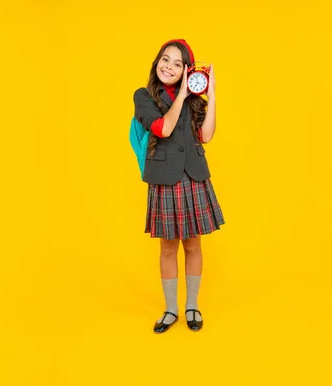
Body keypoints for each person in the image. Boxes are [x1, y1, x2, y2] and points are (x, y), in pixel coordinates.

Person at [133, 39, 225, 333]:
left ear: (187, 70)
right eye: (165, 59)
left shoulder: (194, 98)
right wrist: (183, 94)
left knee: (194, 244)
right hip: (164, 177)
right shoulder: (144, 96)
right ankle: (171, 309)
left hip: (194, 176)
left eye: (177, 63)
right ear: (156, 61)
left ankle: (192, 306)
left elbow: (206, 136)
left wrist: (210, 94)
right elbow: (163, 128)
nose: (168, 66)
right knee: (169, 247)